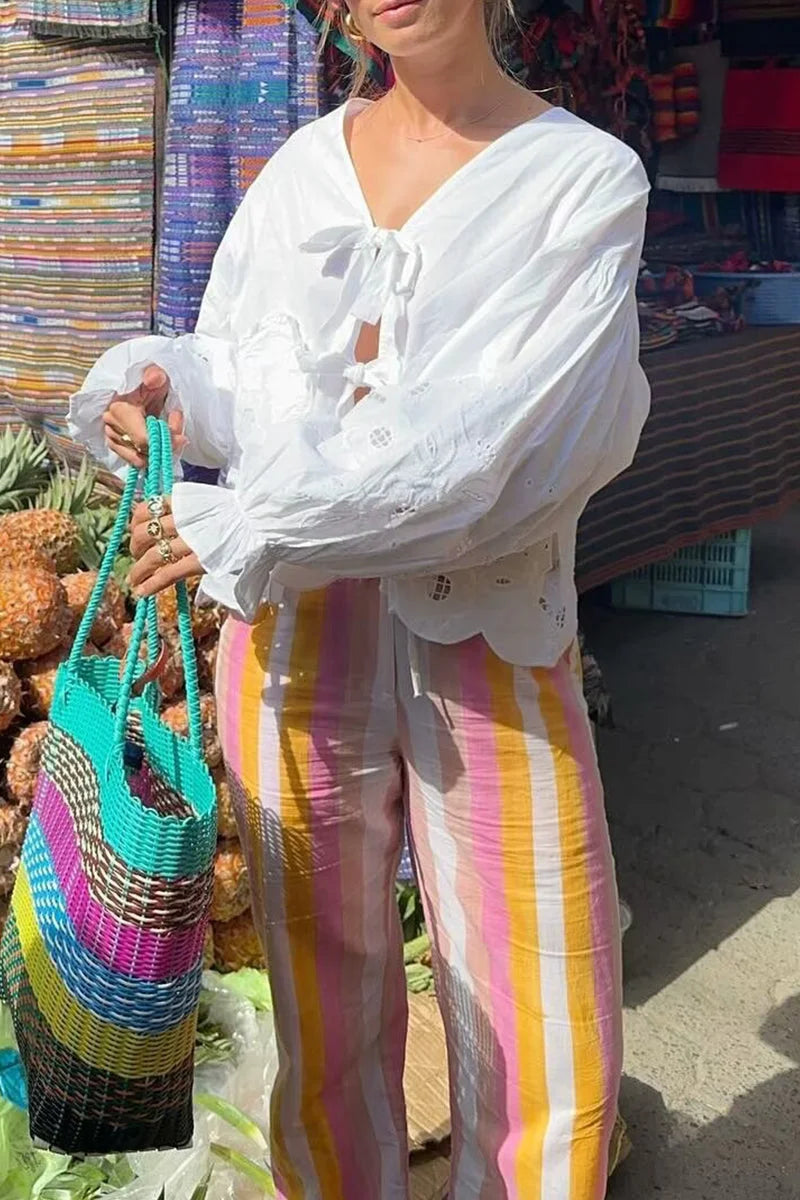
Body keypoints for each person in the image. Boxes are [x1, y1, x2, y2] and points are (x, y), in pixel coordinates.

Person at [69, 0, 650, 1193]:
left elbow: (497, 455)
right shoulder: (299, 172)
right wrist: (165, 389)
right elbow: (245, 368)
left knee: (543, 999)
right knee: (319, 1001)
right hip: (292, 644)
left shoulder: (580, 181)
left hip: (486, 632)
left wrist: (257, 521)